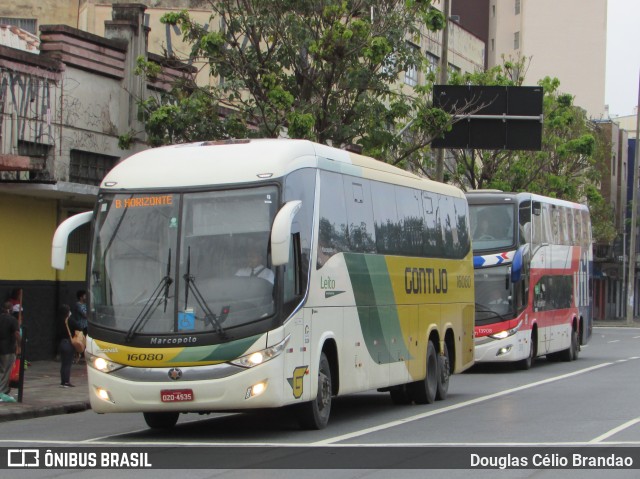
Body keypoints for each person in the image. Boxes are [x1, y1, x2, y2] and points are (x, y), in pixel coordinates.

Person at [0, 301, 20, 402]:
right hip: (8, 349)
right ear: (11, 310)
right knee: (6, 370)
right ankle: (2, 391)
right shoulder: (12, 320)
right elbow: (17, 333)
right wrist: (20, 345)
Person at [58, 304, 81, 388]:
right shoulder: (69, 320)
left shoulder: (59, 320)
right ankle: (66, 382)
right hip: (68, 343)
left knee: (63, 363)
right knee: (68, 363)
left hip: (61, 343)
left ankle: (63, 381)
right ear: (67, 312)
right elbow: (79, 327)